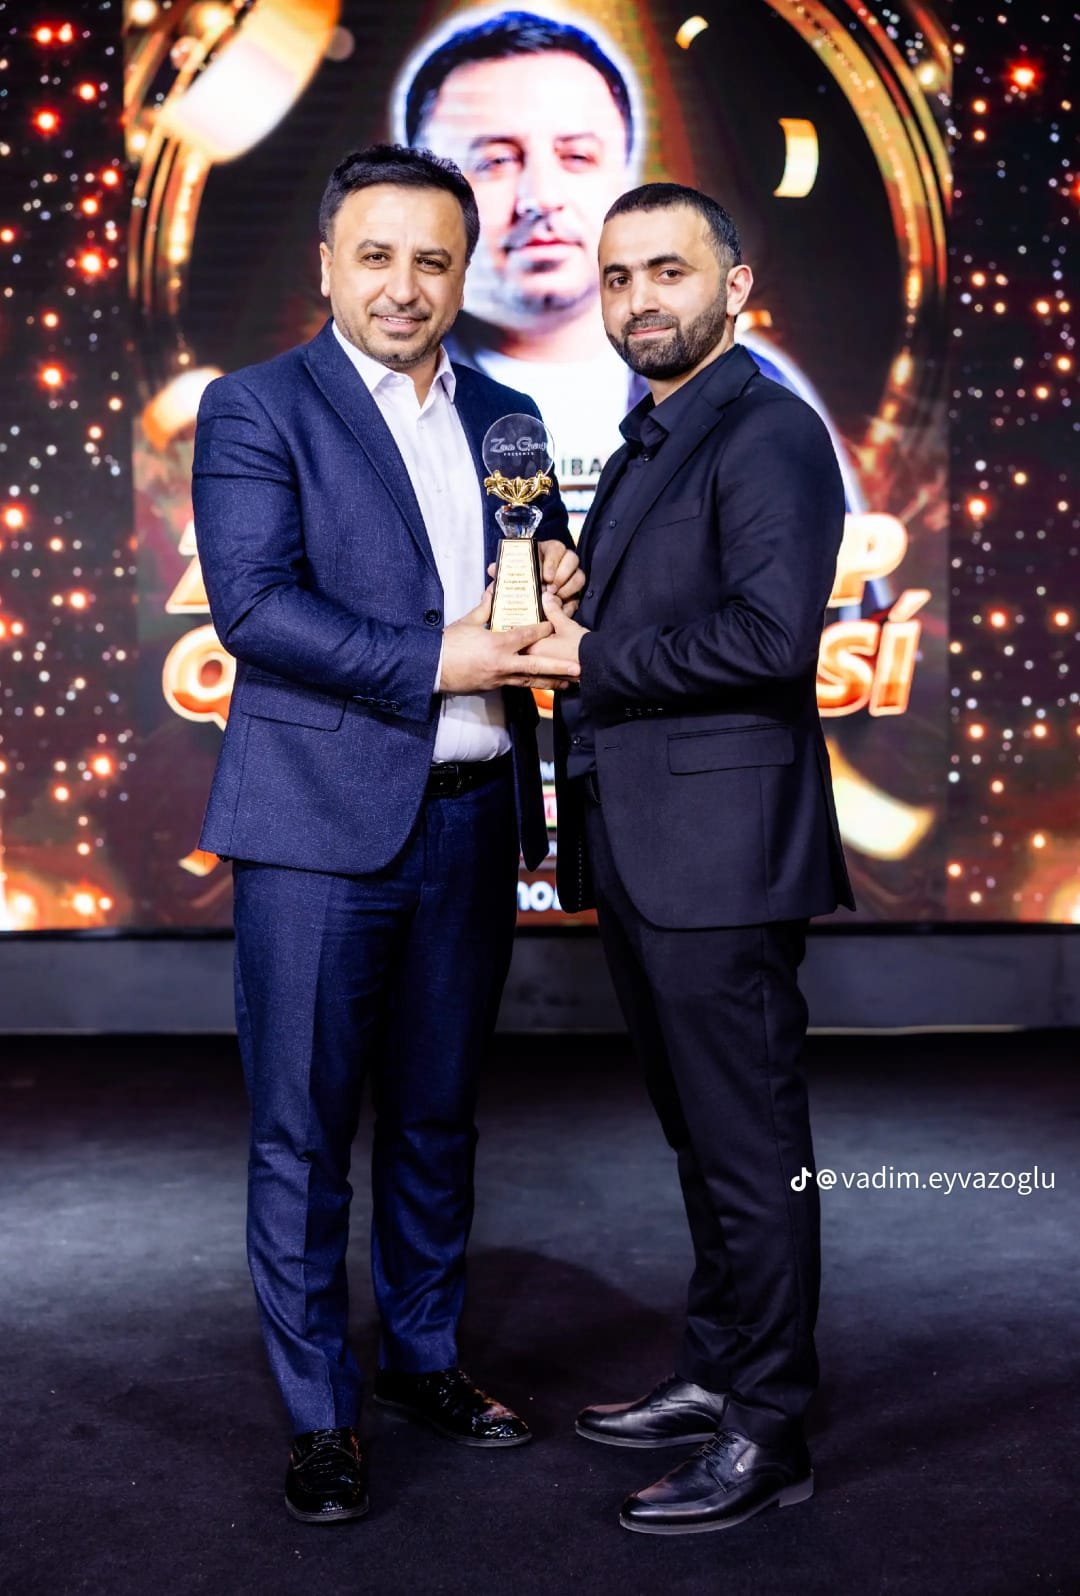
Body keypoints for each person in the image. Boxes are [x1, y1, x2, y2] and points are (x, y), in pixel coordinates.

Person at [192, 143, 583, 1524]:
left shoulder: (511, 416)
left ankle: (424, 1360)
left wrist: (558, 578)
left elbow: (529, 585)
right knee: (304, 1135)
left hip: (470, 823)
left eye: (432, 259)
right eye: (377, 255)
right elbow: (256, 608)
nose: (404, 285)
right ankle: (320, 1415)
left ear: (463, 273)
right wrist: (444, 658)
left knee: (436, 1120)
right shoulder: (258, 407)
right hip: (313, 829)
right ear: (326, 265)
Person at [538, 182, 855, 1534]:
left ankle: (768, 1428)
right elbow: (664, 608)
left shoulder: (768, 429)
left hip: (720, 857)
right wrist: (577, 590)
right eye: (618, 277)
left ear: (735, 287)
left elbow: (772, 641)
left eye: (668, 271)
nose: (639, 299)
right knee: (702, 1137)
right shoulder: (655, 434)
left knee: (751, 1147)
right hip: (652, 848)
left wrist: (590, 652)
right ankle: (720, 1370)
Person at [395, 8, 643, 490]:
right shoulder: (363, 403)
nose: (541, 197)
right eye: (496, 161)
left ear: (626, 179)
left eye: (577, 156)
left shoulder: (735, 394)